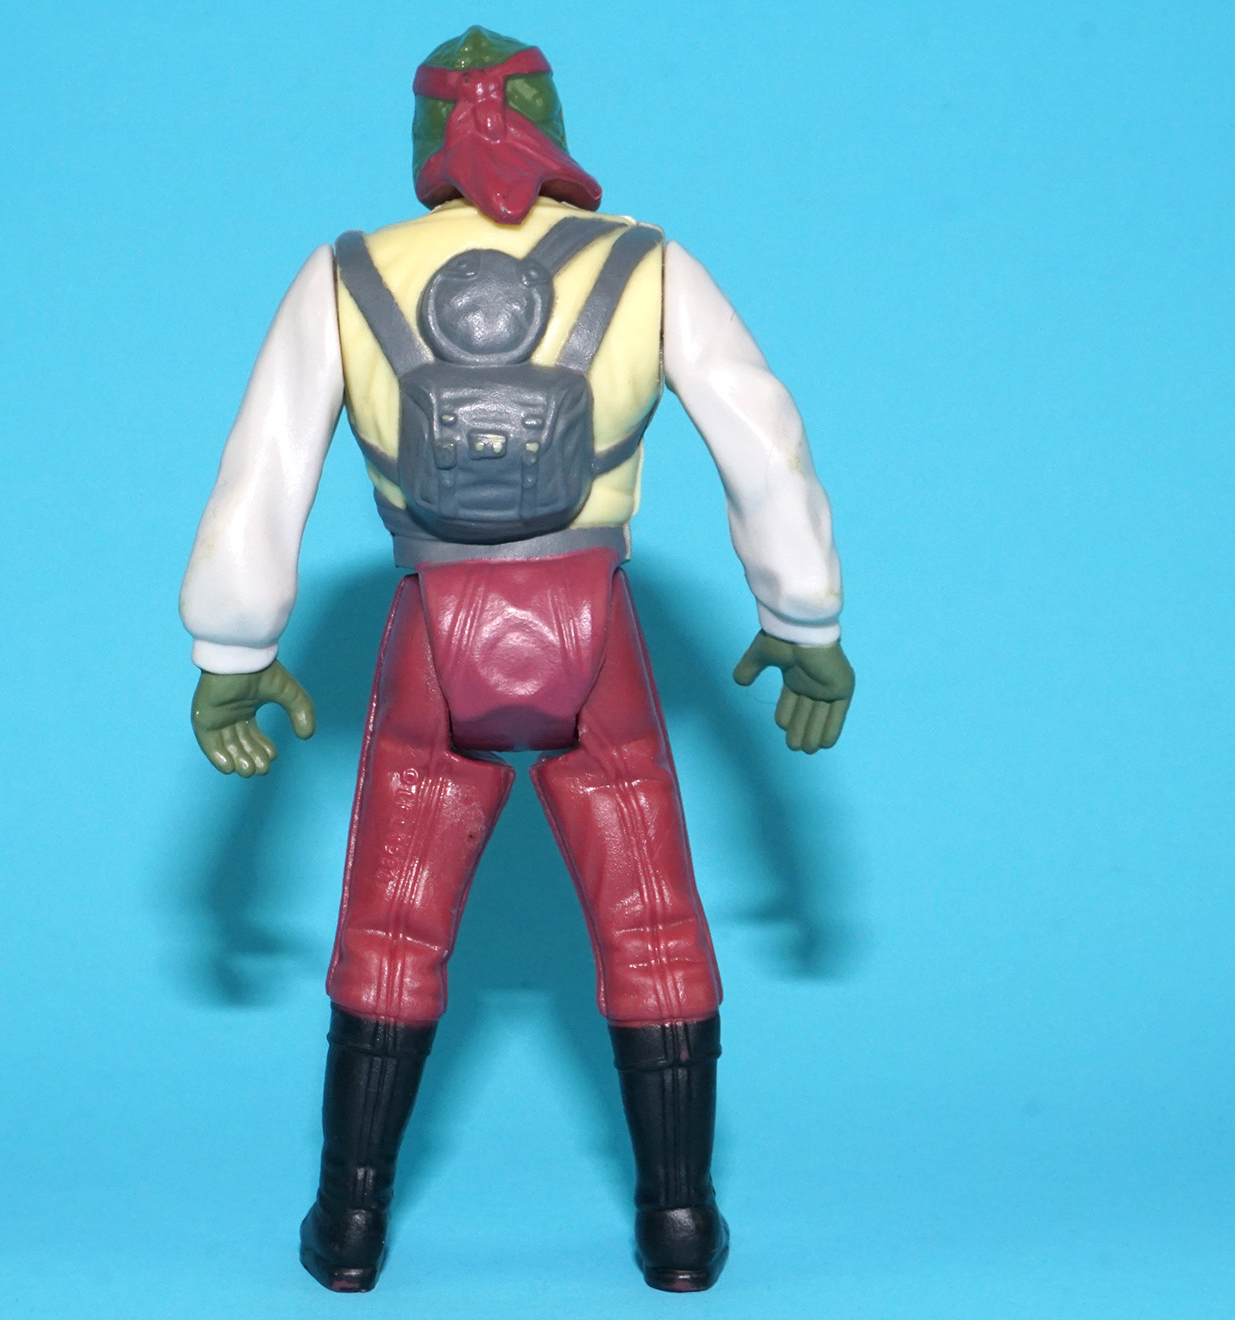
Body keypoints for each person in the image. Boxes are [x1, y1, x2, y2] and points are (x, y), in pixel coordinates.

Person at [178, 25, 855, 1294]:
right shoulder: (646, 266)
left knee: (392, 921)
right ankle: (678, 1222)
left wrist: (234, 643)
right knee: (651, 919)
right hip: (595, 630)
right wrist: (802, 618)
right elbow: (763, 440)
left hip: (432, 635)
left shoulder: (347, 276)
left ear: (425, 136)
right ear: (551, 125)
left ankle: (350, 1222)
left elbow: (263, 467)